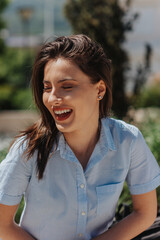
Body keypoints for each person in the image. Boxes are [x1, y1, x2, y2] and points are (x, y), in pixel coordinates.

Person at [0, 34, 160, 240]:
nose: (53, 98)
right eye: (47, 88)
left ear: (100, 89)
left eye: (67, 86)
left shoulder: (128, 141)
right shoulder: (28, 148)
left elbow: (144, 213)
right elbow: (2, 224)